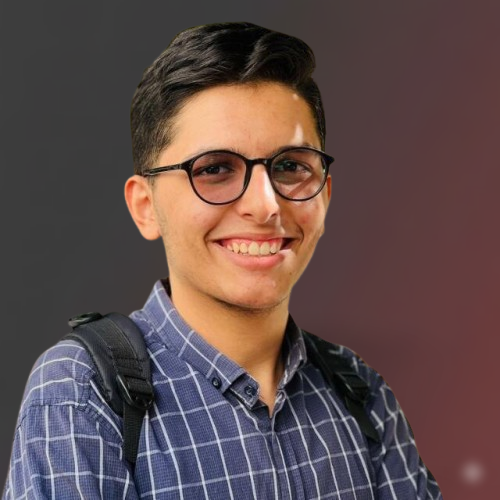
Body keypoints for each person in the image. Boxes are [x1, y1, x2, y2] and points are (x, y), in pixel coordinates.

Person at [3, 22, 441, 499]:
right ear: (145, 207)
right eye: (214, 169)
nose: (266, 205)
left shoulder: (360, 393)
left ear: (325, 195)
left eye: (291, 166)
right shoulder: (83, 393)